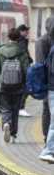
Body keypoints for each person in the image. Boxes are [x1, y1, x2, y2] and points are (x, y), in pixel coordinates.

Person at [0, 27, 30, 144]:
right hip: (18, 86)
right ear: (18, 38)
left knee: (5, 108)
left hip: (3, 85)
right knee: (15, 110)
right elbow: (26, 70)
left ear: (8, 37)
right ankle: (13, 134)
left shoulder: (0, 51)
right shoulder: (22, 51)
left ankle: (6, 124)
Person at [35, 16, 54, 144]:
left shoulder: (41, 41)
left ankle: (47, 140)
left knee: (47, 110)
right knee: (47, 110)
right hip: (49, 83)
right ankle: (47, 139)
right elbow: (41, 65)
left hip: (49, 82)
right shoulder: (43, 41)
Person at [17, 24, 33, 117]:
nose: (27, 32)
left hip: (19, 69)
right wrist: (28, 67)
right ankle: (21, 108)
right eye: (26, 30)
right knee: (26, 89)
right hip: (23, 69)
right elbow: (23, 56)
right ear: (21, 31)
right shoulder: (22, 42)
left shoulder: (19, 41)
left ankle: (18, 108)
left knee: (21, 89)